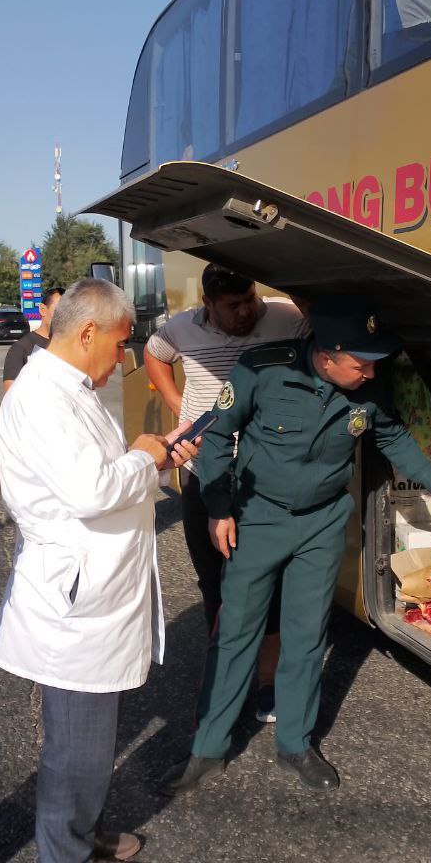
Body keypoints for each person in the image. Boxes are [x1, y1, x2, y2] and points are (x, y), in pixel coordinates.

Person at [159, 294, 431, 796]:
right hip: (256, 519)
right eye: (360, 364)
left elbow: (391, 434)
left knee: (307, 635)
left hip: (322, 524)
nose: (371, 374)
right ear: (326, 355)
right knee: (236, 634)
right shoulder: (261, 370)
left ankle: (295, 743)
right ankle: (207, 748)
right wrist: (220, 508)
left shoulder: (368, 381)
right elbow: (220, 437)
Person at [0, 278, 199, 863]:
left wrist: (148, 454)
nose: (124, 358)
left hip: (93, 586)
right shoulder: (42, 396)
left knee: (90, 738)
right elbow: (91, 491)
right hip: (76, 600)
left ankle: (83, 833)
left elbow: (100, 474)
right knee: (77, 745)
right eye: (119, 343)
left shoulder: (69, 388)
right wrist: (145, 457)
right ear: (86, 332)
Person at [144, 264, 308, 722]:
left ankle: (268, 683)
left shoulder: (284, 316)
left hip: (265, 473)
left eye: (250, 299)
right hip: (204, 470)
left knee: (270, 581)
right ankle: (226, 675)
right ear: (207, 304)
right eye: (233, 305)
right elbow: (153, 353)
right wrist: (181, 406)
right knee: (213, 579)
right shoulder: (181, 328)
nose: (246, 311)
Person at [3, 286, 64, 393]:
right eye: (59, 310)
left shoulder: (71, 347)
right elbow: (12, 395)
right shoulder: (21, 349)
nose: (64, 316)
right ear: (42, 309)